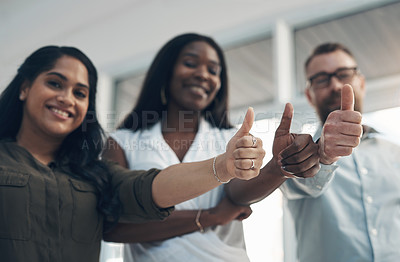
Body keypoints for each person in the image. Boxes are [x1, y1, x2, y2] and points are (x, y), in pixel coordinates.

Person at [0, 45, 268, 262]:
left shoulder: (94, 174)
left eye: (80, 93)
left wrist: (223, 166)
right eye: (55, 84)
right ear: (24, 87)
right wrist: (209, 216)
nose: (67, 98)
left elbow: (148, 187)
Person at [102, 33, 323, 262]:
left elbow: (237, 195)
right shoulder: (122, 141)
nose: (202, 75)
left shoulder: (228, 138)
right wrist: (210, 217)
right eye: (190, 63)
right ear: (165, 71)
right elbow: (114, 227)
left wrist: (279, 166)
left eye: (213, 71)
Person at [280, 43, 400, 262]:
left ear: (361, 83)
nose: (335, 85)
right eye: (321, 79)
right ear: (309, 95)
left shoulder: (395, 153)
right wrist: (323, 157)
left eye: (343, 74)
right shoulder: (293, 154)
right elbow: (297, 184)